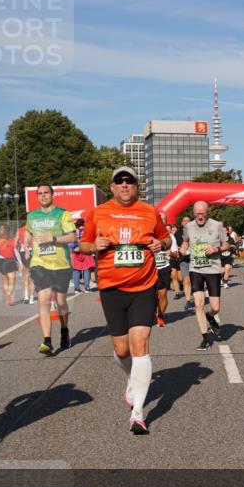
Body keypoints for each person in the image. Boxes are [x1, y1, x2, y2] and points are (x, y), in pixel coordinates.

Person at [80, 167, 170, 434]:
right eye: (119, 181)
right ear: (112, 187)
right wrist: (93, 246)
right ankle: (131, 379)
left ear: (136, 186)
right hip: (111, 288)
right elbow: (83, 244)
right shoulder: (98, 212)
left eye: (129, 181)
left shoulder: (149, 211)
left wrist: (160, 245)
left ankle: (138, 413)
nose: (124, 185)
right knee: (121, 350)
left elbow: (165, 239)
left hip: (144, 286)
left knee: (140, 344)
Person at [23, 184, 77, 355]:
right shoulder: (32, 216)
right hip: (40, 263)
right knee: (44, 298)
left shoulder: (63, 214)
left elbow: (73, 236)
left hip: (61, 263)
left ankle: (64, 329)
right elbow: (28, 232)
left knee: (61, 301)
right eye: (40, 194)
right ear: (37, 197)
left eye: (46, 193)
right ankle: (47, 341)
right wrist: (25, 245)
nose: (43, 196)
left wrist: (52, 238)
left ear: (52, 195)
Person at [179, 201, 229, 350]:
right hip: (196, 269)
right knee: (198, 304)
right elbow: (185, 242)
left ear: (207, 213)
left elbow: (227, 244)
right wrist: (181, 250)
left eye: (202, 214)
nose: (200, 217)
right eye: (197, 214)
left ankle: (210, 316)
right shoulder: (189, 227)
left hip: (213, 270)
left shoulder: (217, 225)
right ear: (193, 213)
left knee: (215, 307)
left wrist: (216, 249)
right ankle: (205, 338)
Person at [154, 213, 177, 328]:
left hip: (163, 268)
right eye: (159, 219)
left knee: (162, 294)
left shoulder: (170, 236)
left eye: (163, 220)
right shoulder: (148, 233)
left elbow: (176, 255)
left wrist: (170, 253)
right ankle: (151, 311)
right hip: (149, 270)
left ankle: (160, 315)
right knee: (150, 295)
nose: (161, 221)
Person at [70, 218, 95, 293]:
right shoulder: (87, 230)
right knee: (87, 269)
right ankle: (87, 288)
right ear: (84, 224)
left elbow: (70, 242)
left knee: (76, 270)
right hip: (86, 250)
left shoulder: (74, 231)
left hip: (75, 251)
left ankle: (76, 289)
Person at [15, 220, 35, 304]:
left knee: (26, 276)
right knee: (33, 277)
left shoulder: (19, 230)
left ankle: (26, 297)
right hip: (32, 252)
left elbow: (15, 245)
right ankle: (31, 299)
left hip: (23, 252)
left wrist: (19, 260)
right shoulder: (33, 229)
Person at [178, 215, 193, 307]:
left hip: (195, 259)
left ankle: (199, 294)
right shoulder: (178, 233)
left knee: (194, 280)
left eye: (188, 221)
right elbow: (175, 246)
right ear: (182, 223)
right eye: (185, 221)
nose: (186, 223)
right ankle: (188, 300)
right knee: (186, 280)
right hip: (184, 260)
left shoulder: (196, 231)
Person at [167, 223, 183, 297]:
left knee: (180, 278)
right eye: (166, 229)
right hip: (170, 258)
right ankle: (177, 292)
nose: (167, 230)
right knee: (173, 275)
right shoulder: (164, 237)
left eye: (168, 228)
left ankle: (182, 285)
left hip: (177, 257)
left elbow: (176, 245)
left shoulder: (173, 235)